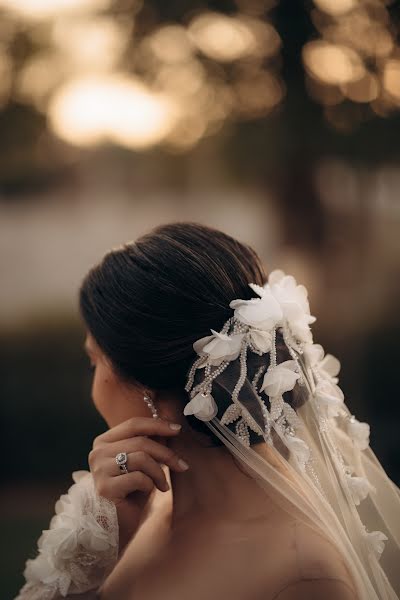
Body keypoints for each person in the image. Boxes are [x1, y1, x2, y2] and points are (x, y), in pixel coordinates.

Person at [15, 221, 400, 600]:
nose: (93, 385)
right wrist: (94, 550)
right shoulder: (131, 517)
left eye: (94, 362)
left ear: (148, 389)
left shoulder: (300, 574)